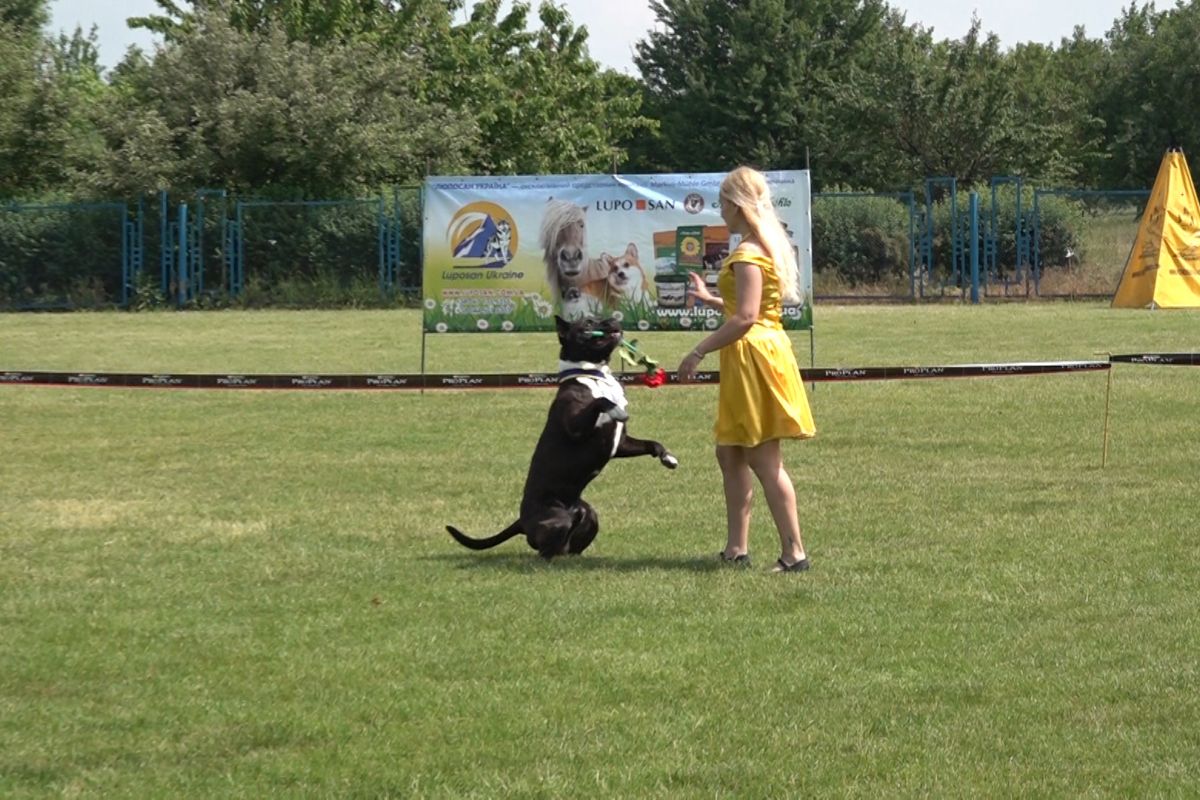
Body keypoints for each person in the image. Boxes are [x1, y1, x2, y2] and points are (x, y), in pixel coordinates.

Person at [677, 166, 817, 573]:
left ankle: (795, 553)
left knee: (763, 458)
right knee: (730, 451)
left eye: (722, 204)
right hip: (754, 352)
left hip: (753, 356)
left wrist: (697, 351)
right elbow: (749, 309)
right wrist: (709, 299)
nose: (720, 211)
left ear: (737, 205)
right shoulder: (758, 248)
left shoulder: (747, 254)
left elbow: (747, 318)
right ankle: (736, 549)